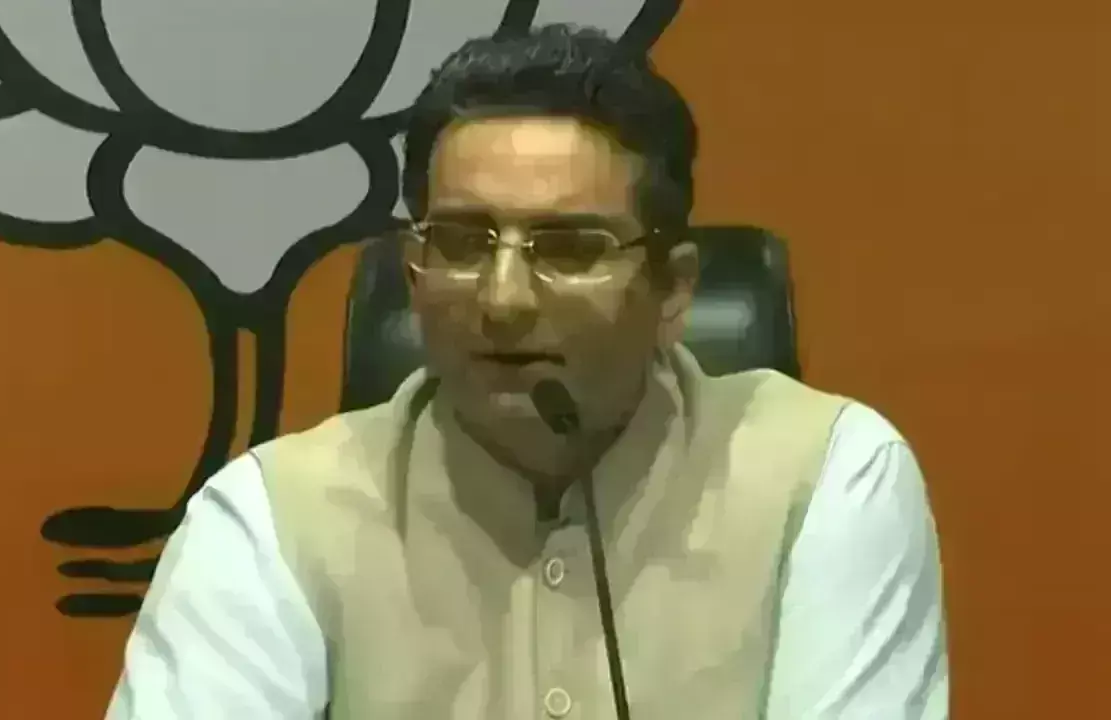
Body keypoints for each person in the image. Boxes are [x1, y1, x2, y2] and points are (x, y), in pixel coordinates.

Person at [105, 24, 948, 720]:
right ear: (413, 274)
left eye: (569, 248)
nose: (502, 298)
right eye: (461, 242)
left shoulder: (823, 478)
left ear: (672, 289)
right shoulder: (270, 519)